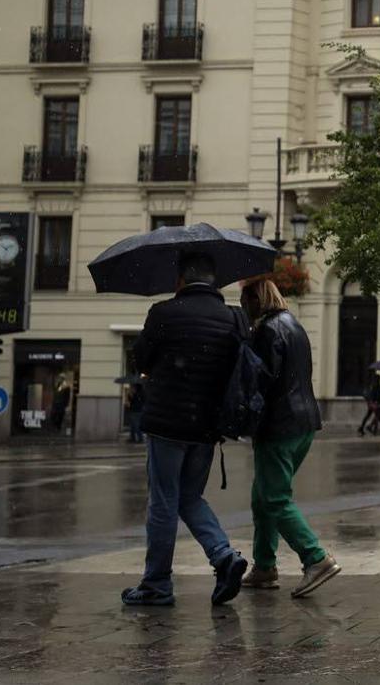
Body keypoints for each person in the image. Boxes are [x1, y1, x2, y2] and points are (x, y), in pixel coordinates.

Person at [121, 252, 249, 607]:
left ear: (180, 280)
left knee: (163, 501)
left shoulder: (163, 313)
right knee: (190, 497)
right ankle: (224, 555)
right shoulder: (231, 319)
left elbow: (142, 360)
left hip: (167, 422)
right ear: (214, 280)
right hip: (206, 425)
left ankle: (157, 584)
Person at [237, 279, 341, 598]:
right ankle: (265, 566)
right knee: (263, 495)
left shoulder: (267, 331)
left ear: (255, 300)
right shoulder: (294, 325)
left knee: (275, 498)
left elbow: (262, 381)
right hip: (304, 422)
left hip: (278, 425)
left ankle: (315, 558)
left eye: (243, 299)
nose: (241, 306)